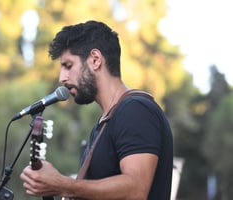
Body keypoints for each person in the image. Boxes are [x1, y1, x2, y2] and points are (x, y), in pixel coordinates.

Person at [20, 20, 173, 200]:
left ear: (95, 60)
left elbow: (135, 190)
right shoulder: (103, 126)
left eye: (68, 66)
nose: (62, 78)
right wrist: (54, 188)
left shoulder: (135, 110)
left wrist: (61, 184)